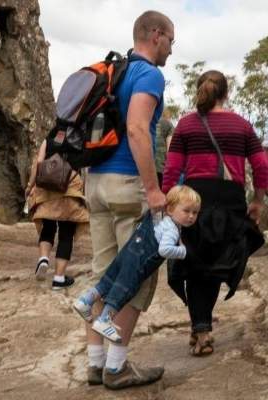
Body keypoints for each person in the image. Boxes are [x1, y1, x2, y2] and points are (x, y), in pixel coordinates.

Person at [84, 10, 174, 390]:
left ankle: (94, 363)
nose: (172, 46)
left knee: (104, 273)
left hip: (96, 182)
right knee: (137, 275)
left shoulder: (112, 70)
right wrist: (153, 190)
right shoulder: (148, 74)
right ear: (156, 35)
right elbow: (138, 128)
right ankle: (117, 368)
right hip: (127, 184)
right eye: (171, 38)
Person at [162, 70, 268, 356]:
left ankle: (201, 327)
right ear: (226, 93)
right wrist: (257, 200)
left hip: (195, 198)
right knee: (220, 261)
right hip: (231, 199)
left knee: (196, 262)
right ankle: (201, 327)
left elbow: (172, 169)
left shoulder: (186, 125)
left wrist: (168, 204)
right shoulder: (242, 126)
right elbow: (261, 165)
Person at [74, 185, 200, 343]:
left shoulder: (159, 216)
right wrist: (182, 251)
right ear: (170, 209)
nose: (191, 216)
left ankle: (85, 301)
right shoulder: (172, 230)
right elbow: (164, 250)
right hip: (139, 262)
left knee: (109, 279)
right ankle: (104, 320)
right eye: (186, 211)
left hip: (129, 251)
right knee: (124, 289)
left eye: (195, 212)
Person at [25, 127, 89, 290]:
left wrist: (30, 185)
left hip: (48, 187)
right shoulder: (81, 137)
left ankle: (43, 259)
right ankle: (59, 278)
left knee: (48, 226)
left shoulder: (51, 136)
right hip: (71, 188)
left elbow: (39, 162)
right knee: (66, 234)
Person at [155, 109, 174, 186]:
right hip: (160, 164)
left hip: (146, 165)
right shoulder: (169, 124)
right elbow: (170, 147)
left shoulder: (149, 122)